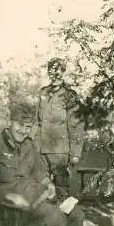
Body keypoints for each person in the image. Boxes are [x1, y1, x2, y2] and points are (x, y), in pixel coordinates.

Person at [34, 57, 85, 199]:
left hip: (59, 151)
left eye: (58, 72)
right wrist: (32, 144)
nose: (55, 76)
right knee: (40, 185)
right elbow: (37, 121)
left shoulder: (70, 96)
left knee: (61, 187)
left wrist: (75, 153)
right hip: (41, 148)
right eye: (52, 73)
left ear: (63, 73)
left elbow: (76, 126)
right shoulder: (43, 93)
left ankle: (62, 218)